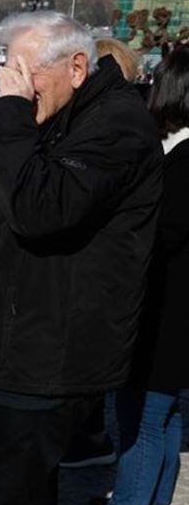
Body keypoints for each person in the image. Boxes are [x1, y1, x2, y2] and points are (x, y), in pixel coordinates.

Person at [0, 11, 162, 505]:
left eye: (24, 73)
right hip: (25, 341)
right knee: (25, 503)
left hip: (49, 351)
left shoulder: (117, 127)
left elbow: (41, 211)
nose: (15, 88)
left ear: (78, 66)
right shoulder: (62, 110)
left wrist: (11, 114)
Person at [64, 44, 189, 505]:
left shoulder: (181, 159)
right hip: (179, 311)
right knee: (169, 410)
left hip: (166, 308)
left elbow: (163, 233)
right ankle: (152, 504)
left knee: (141, 414)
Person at [60, 37, 143, 470]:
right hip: (109, 278)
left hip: (102, 278)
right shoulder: (126, 119)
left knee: (85, 371)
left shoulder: (113, 127)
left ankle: (88, 442)